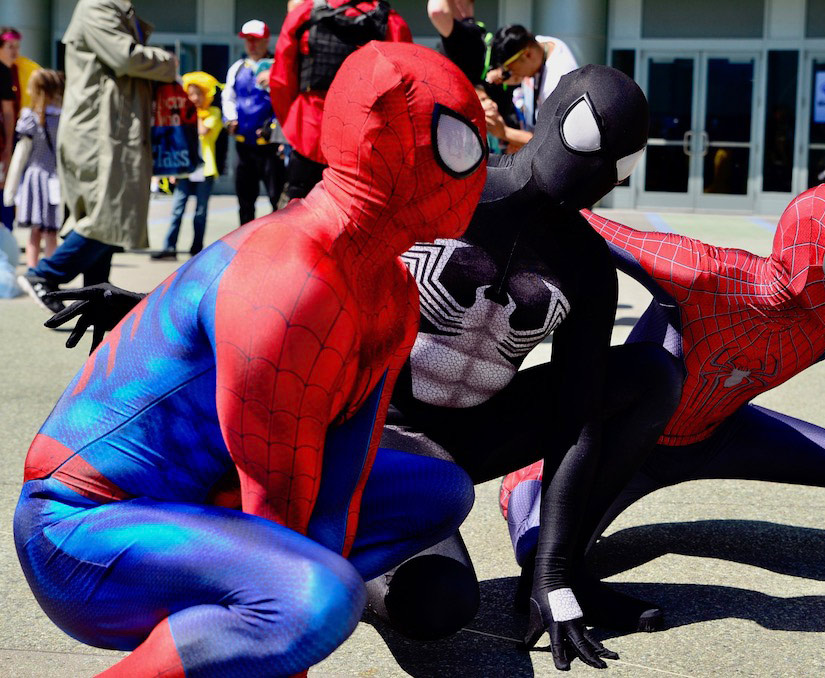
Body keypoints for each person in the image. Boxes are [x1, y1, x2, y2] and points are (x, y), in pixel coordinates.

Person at [44, 65, 660, 672]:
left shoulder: (576, 264)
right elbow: (295, 257)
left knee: (639, 379)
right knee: (416, 603)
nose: (600, 175)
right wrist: (164, 307)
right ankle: (324, 579)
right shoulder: (424, 211)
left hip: (465, 437)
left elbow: (578, 419)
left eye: (623, 166)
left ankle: (552, 560)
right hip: (366, 433)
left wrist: (553, 576)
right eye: (589, 142)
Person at [14, 42, 488, 677]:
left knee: (440, 491)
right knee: (314, 600)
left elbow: (339, 482)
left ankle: (238, 628)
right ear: (381, 140)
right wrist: (300, 614)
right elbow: (278, 500)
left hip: (200, 503)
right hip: (81, 524)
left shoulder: (390, 293)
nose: (477, 167)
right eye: (460, 144)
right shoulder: (291, 277)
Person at [502, 184, 825, 635]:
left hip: (723, 433)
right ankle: (527, 484)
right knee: (546, 556)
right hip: (626, 444)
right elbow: (567, 217)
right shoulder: (704, 273)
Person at [16, 0, 176, 314]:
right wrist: (168, 62)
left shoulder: (112, 9)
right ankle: (44, 274)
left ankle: (96, 301)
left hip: (108, 132)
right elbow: (125, 56)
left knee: (108, 223)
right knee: (107, 220)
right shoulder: (97, 6)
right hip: (100, 135)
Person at [270, 0, 411, 202]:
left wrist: (295, 126)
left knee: (294, 219)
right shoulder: (391, 22)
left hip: (309, 136)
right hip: (365, 146)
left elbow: (281, 81)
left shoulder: (303, 15)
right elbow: (404, 89)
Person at [427, 0, 521, 153]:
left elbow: (437, 12)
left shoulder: (470, 37)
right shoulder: (473, 37)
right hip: (485, 145)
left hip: (489, 145)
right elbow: (438, 12)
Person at [151, 72, 222, 260]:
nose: (194, 98)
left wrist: (194, 112)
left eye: (198, 94)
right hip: (185, 169)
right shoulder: (183, 115)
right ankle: (169, 247)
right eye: (190, 94)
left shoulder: (213, 114)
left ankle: (197, 249)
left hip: (205, 170)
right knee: (177, 209)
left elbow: (203, 130)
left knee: (200, 212)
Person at [223, 19, 285, 226]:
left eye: (256, 40)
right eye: (248, 40)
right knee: (245, 201)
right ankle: (244, 247)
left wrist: (273, 127)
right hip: (244, 147)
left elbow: (286, 101)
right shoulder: (237, 68)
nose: (252, 44)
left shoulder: (278, 67)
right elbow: (228, 97)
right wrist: (230, 118)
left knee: (277, 199)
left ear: (266, 40)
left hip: (270, 148)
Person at [484, 24, 578, 147]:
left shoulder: (556, 84)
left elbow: (550, 145)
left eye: (510, 69)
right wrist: (505, 74)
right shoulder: (543, 44)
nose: (509, 74)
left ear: (528, 54)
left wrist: (504, 132)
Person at [14, 69, 63, 268]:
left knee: (34, 231)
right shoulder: (61, 118)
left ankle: (32, 270)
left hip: (34, 177)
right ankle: (49, 272)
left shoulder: (29, 118)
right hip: (54, 177)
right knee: (52, 231)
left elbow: (22, 150)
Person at [0, 29, 18, 231]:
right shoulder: (5, 72)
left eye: (17, 47)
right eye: (10, 47)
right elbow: (8, 112)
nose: (15, 51)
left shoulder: (11, 71)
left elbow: (8, 112)